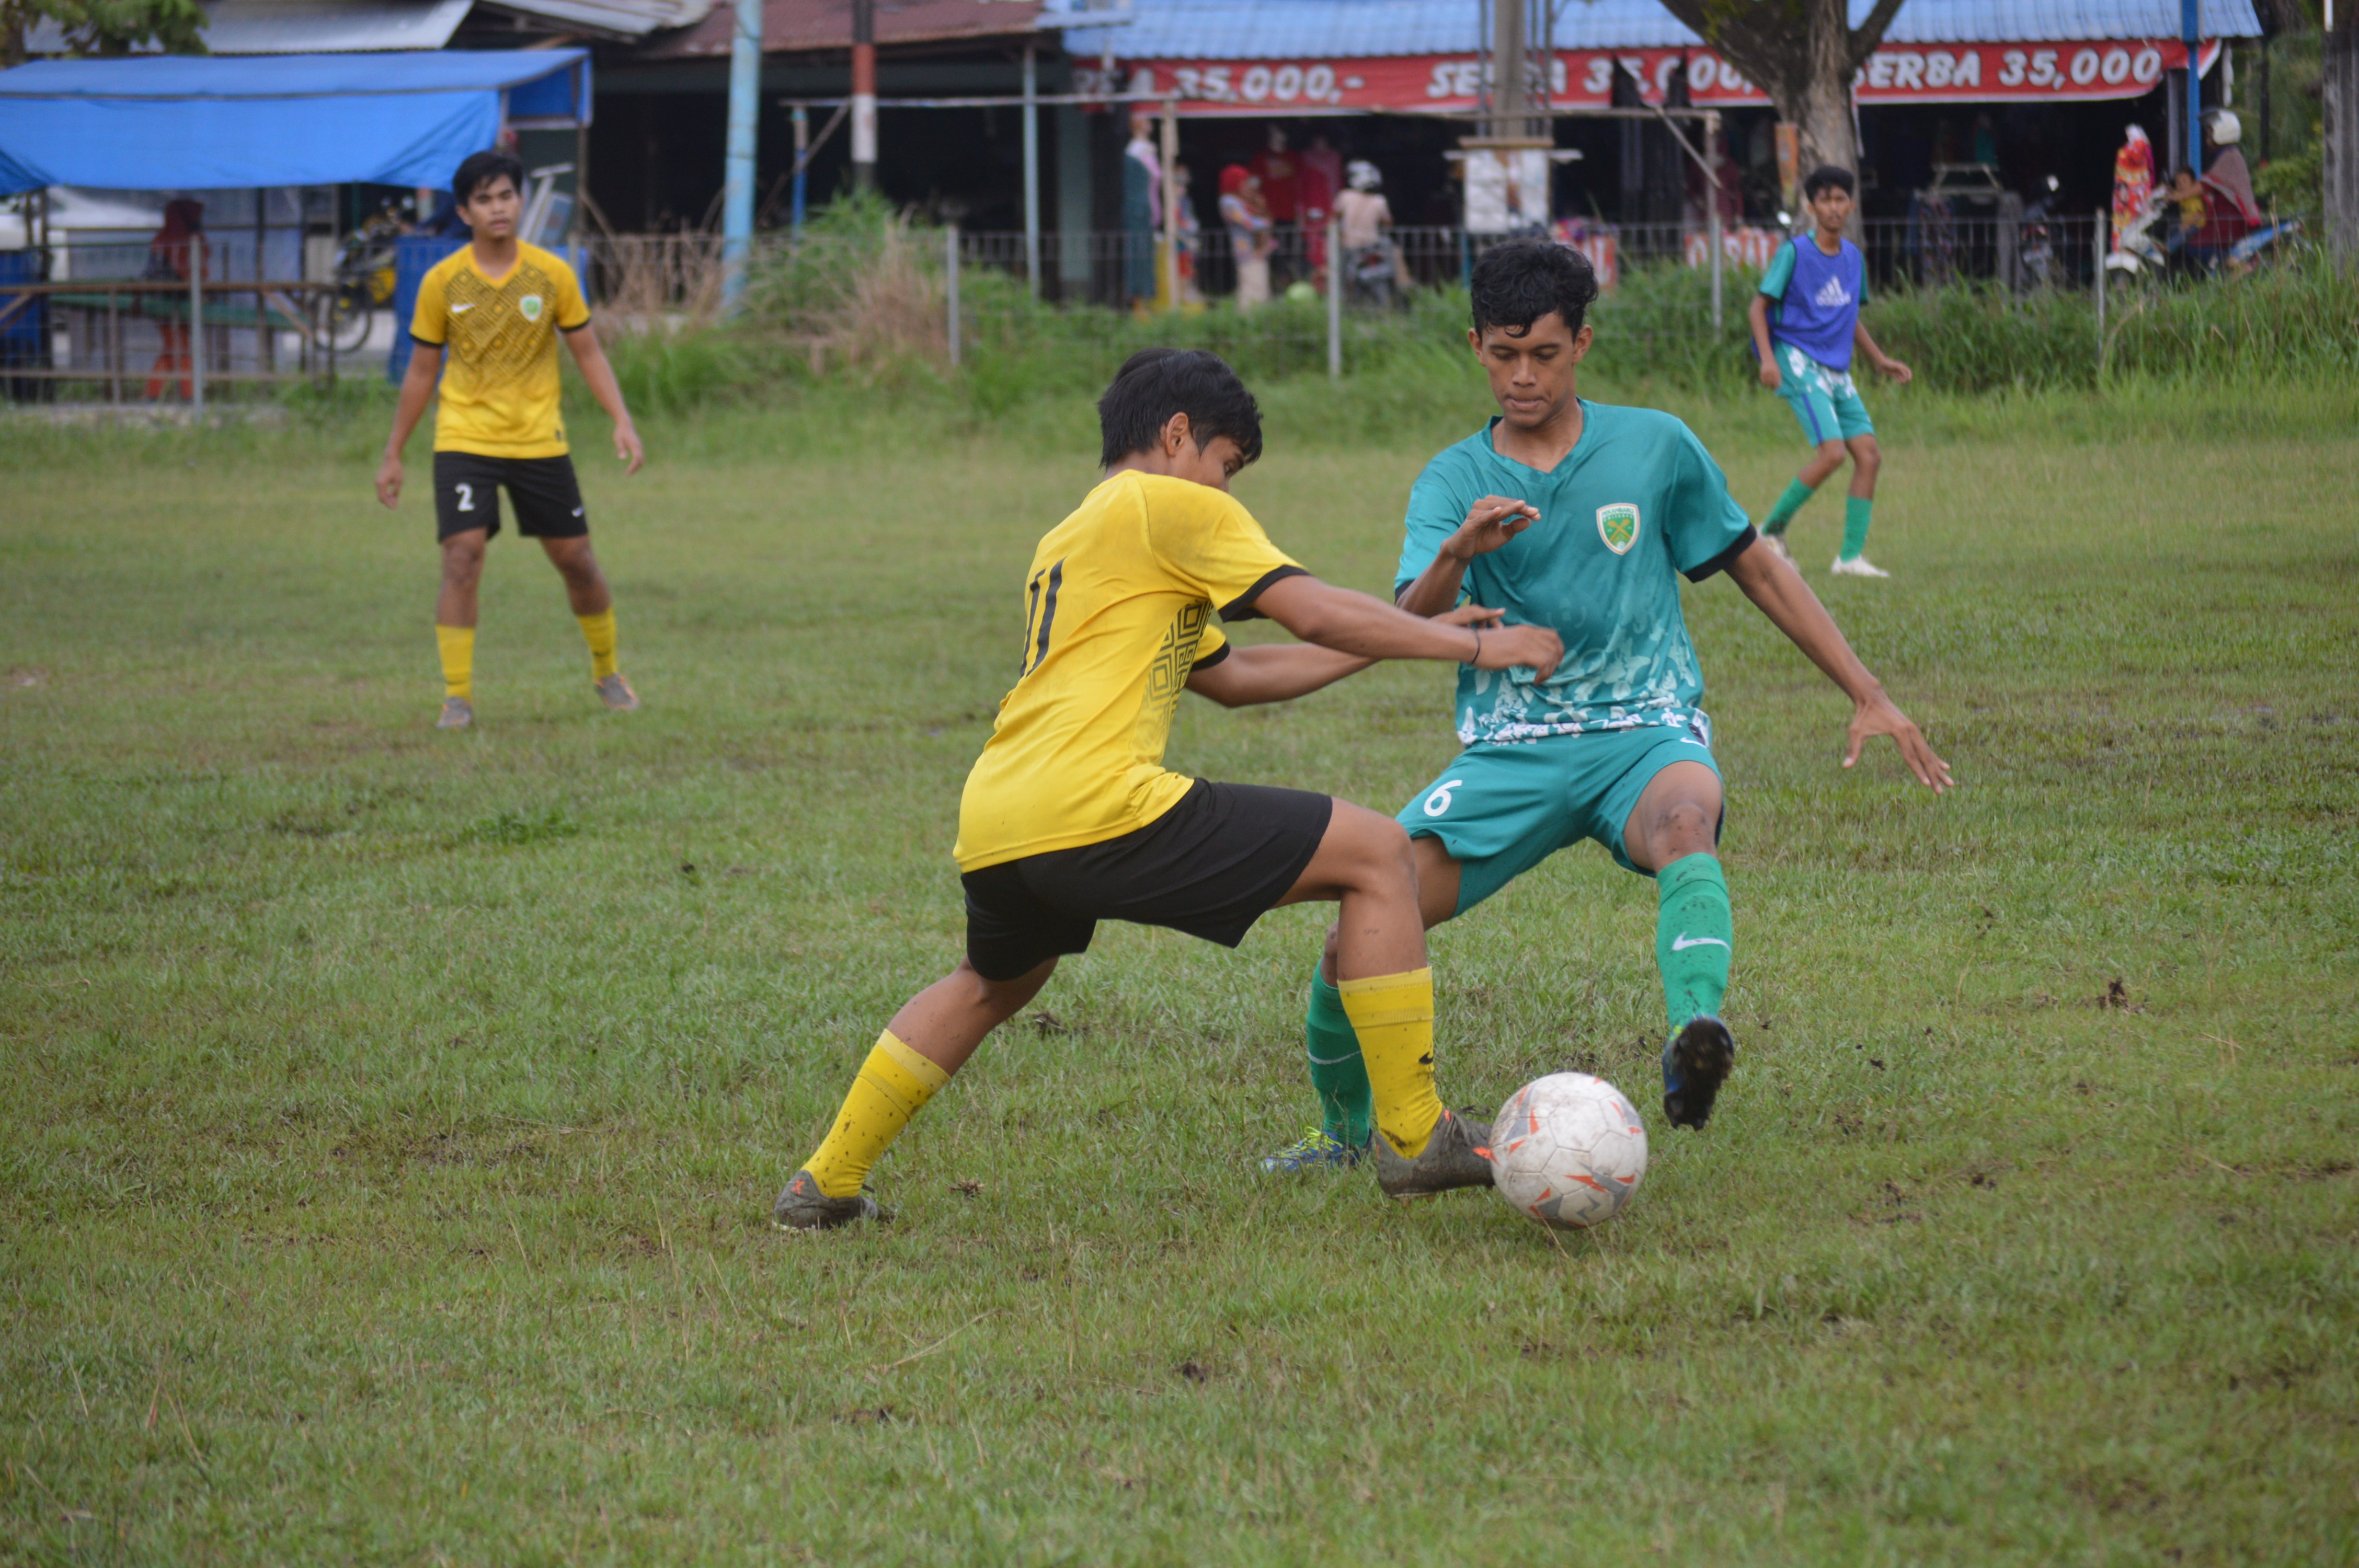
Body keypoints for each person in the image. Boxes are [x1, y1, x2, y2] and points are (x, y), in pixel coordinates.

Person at [773, 348, 1566, 1230]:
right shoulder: (1171, 504)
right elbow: (1309, 609)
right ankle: (1416, 1136)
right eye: (1226, 466)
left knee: (989, 984)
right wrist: (1478, 646)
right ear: (1178, 433)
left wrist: (1413, 629)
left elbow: (1239, 677)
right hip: (1092, 805)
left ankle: (824, 1183)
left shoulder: (1079, 530)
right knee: (1379, 851)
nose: (1225, 489)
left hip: (1000, 814)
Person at [1258, 239, 1951, 1173]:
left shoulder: (1655, 445)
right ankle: (1342, 1138)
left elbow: (1755, 565)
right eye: (1504, 355)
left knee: (1684, 823)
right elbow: (1405, 622)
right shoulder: (1451, 480)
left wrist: (1868, 693)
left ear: (1581, 343)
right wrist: (1458, 552)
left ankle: (1696, 1032)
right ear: (1475, 346)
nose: (1523, 376)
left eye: (1544, 354)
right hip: (1511, 748)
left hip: (1644, 730)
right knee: (1358, 928)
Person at [375, 149, 646, 731]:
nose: (497, 208)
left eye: (506, 196)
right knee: (462, 556)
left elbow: (588, 353)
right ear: (464, 212)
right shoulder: (442, 281)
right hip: (464, 437)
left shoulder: (552, 274)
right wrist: (394, 452)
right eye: (484, 200)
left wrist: (621, 419)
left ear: (520, 202)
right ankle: (457, 698)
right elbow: (421, 371)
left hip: (538, 440)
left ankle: (608, 673)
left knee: (576, 560)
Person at [1749, 166, 1913, 580]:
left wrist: (1879, 360)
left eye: (1841, 199)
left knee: (1869, 456)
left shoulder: (1853, 258)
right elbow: (1758, 307)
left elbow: (1847, 315)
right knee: (1834, 454)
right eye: (1826, 200)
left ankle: (1850, 559)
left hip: (1837, 368)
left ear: (1852, 205)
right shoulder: (1794, 253)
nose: (1834, 208)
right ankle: (1769, 531)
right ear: (1811, 207)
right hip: (1797, 361)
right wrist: (1768, 359)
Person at [142, 199, 205, 401]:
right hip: (168, 304)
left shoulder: (168, 240)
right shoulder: (176, 241)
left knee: (175, 347)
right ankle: (189, 395)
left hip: (176, 303)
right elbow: (190, 272)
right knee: (179, 348)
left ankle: (154, 393)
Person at [1122, 111, 1162, 313]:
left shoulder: (1148, 150)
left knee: (1147, 254)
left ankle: (1146, 301)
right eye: (1146, 121)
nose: (1150, 124)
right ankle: (1139, 300)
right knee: (1140, 253)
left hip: (1150, 209)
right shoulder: (1135, 153)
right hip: (1141, 211)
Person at [1219, 166, 1274, 312]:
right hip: (1244, 247)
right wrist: (1265, 224)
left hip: (1253, 246)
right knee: (1250, 280)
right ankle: (1249, 313)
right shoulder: (1229, 201)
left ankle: (1257, 310)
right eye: (1243, 181)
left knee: (1258, 280)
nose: (1245, 184)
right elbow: (1245, 222)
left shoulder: (1239, 200)